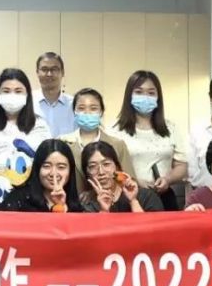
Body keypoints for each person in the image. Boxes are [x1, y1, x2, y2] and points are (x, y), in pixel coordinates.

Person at [111, 70, 188, 211]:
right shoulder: (115, 130)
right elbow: (110, 169)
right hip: (129, 197)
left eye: (151, 93)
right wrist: (134, 181)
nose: (145, 97)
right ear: (129, 95)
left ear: (158, 97)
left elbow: (181, 165)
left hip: (164, 196)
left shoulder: (171, 128)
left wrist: (167, 179)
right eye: (139, 92)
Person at [0, 68, 52, 202]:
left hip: (29, 203)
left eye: (18, 91)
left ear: (27, 95)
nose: (12, 95)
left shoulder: (40, 127)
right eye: (6, 91)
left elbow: (48, 163)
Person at [58, 88, 136, 192]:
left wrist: (94, 194)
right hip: (71, 201)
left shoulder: (117, 145)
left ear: (101, 112)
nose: (87, 113)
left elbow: (129, 180)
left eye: (93, 108)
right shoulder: (63, 143)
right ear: (74, 112)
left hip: (111, 199)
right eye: (81, 108)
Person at [0, 139, 82, 212]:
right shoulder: (18, 199)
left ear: (70, 170)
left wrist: (60, 207)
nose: (53, 173)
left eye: (61, 167)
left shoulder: (76, 206)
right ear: (37, 168)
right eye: (46, 166)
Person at [80, 141, 162, 212]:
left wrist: (133, 201)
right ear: (87, 173)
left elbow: (151, 225)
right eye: (93, 166)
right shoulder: (86, 204)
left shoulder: (146, 196)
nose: (101, 172)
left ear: (117, 167)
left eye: (106, 164)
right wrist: (104, 210)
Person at [33, 52, 75, 136]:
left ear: (62, 72)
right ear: (37, 72)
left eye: (54, 69)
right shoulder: (27, 102)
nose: (49, 74)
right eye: (44, 69)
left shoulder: (74, 105)